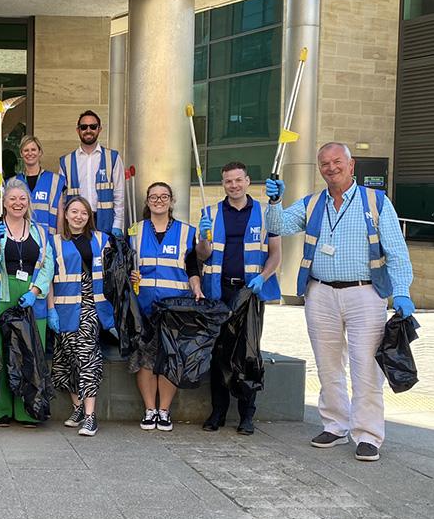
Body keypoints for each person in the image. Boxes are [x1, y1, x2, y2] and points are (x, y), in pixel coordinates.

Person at [265, 142, 414, 462]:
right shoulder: (313, 202)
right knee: (328, 363)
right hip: (320, 293)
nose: (331, 168)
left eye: (337, 162)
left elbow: (397, 252)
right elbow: (278, 226)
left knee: (365, 366)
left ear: (351, 164)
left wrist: (401, 290)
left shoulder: (376, 202)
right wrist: (275, 201)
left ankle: (369, 434)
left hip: (365, 292)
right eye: (324, 164)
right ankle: (334, 424)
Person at [197, 161, 281, 436]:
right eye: (228, 181)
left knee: (248, 354)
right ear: (223, 184)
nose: (233, 185)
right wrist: (204, 238)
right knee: (218, 352)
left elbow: (276, 255)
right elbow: (202, 255)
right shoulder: (210, 212)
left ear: (247, 181)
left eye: (238, 180)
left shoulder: (266, 213)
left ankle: (247, 415)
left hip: (250, 293)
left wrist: (263, 278)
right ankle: (218, 412)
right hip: (218, 292)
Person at [129, 181, 205, 433]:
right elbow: (126, 266)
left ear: (172, 201)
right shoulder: (135, 231)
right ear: (147, 201)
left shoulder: (186, 232)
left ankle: (164, 410)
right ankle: (150, 409)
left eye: (164, 196)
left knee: (172, 360)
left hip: (176, 310)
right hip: (145, 308)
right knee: (146, 361)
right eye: (154, 196)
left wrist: (196, 286)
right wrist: (129, 276)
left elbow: (193, 267)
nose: (159, 200)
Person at [0, 179, 54, 427]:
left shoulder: (40, 231)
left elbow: (48, 265)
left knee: (30, 353)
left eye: (22, 199)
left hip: (32, 298)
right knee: (1, 353)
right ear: (3, 203)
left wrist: (35, 291)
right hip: (1, 296)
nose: (17, 203)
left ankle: (28, 410)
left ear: (28, 203)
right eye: (12, 199)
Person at [46, 196, 114, 437]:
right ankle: (76, 407)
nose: (78, 217)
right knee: (65, 360)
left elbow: (116, 272)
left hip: (90, 306)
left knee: (87, 357)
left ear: (89, 216)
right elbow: (48, 278)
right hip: (63, 308)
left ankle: (90, 416)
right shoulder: (52, 242)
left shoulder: (102, 239)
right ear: (65, 215)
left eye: (83, 213)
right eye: (74, 212)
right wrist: (51, 308)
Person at [58, 110, 125, 237]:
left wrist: (118, 224)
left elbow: (119, 194)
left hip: (105, 222)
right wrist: (62, 227)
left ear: (99, 129)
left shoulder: (113, 157)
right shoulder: (66, 161)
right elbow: (62, 200)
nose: (88, 130)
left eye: (93, 127)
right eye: (84, 127)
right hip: (76, 223)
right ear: (78, 130)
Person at [15, 136, 65, 235]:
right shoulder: (13, 182)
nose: (30, 153)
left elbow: (60, 214)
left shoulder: (55, 180)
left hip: (48, 240)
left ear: (40, 152)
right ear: (21, 153)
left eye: (33, 150)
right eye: (26, 150)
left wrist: (59, 239)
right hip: (20, 239)